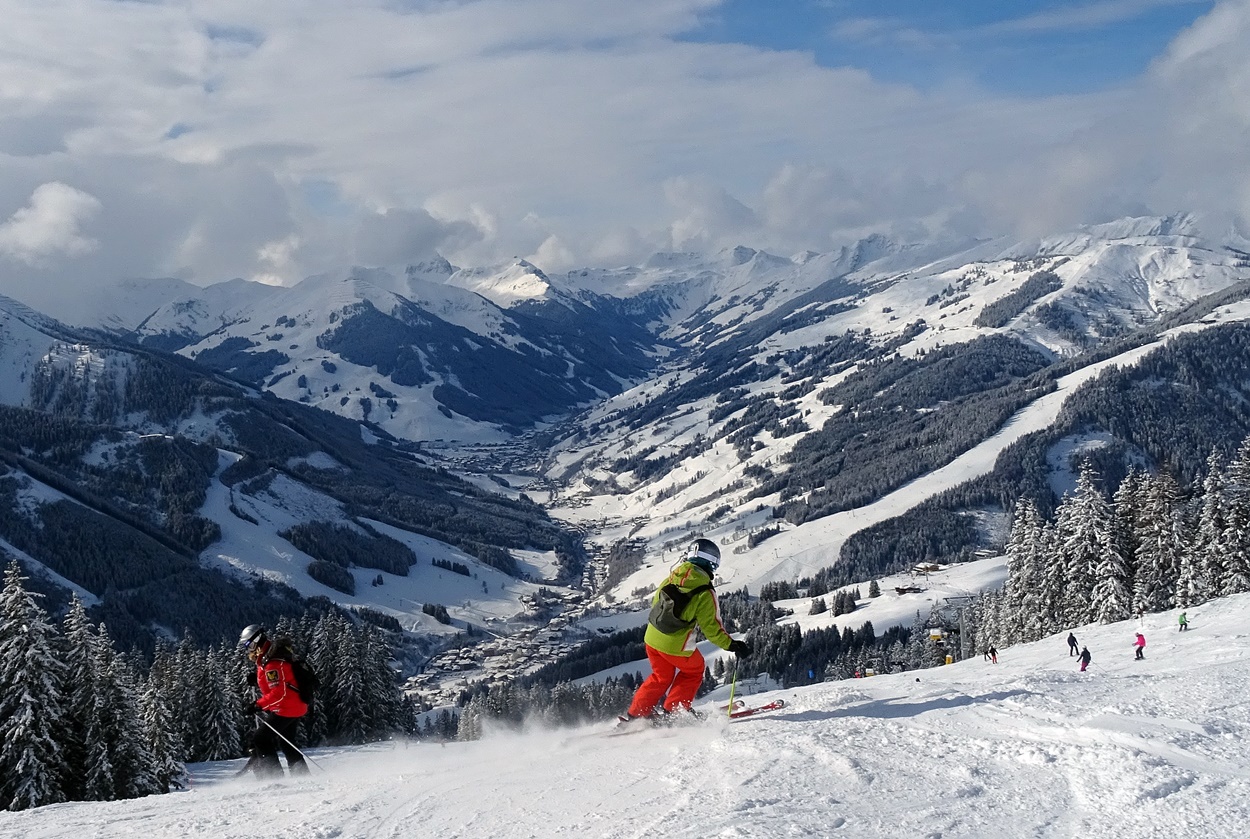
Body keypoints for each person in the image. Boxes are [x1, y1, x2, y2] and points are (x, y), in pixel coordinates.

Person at [621, 538, 750, 725]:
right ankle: (674, 712)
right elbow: (712, 629)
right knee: (694, 670)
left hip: (651, 638)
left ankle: (636, 715)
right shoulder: (705, 592)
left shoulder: (672, 577)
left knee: (660, 676)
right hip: (675, 645)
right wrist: (732, 645)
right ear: (711, 563)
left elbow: (656, 602)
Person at [238, 625, 309, 777]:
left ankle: (274, 777)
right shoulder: (268, 657)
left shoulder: (272, 663)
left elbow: (278, 693)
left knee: (261, 739)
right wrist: (256, 680)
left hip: (286, 707)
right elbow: (280, 682)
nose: (248, 649)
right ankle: (302, 776)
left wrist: (258, 705)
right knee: (286, 741)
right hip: (295, 705)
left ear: (257, 640)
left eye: (249, 645)